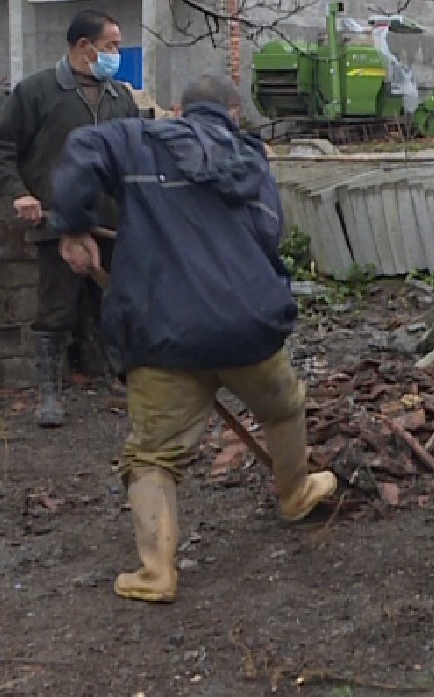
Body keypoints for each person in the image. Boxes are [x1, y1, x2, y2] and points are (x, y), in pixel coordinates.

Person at [47, 74, 336, 604]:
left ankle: (156, 571)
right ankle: (295, 493)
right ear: (233, 114)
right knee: (282, 407)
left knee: (153, 455)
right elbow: (268, 236)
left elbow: (82, 147)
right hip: (250, 326)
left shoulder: (135, 140)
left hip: (164, 335)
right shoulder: (253, 161)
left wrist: (74, 227)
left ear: (178, 110)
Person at [0, 9, 141, 427]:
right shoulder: (37, 92)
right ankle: (49, 392)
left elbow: (135, 154)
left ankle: (113, 379)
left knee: (111, 301)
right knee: (57, 308)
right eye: (111, 46)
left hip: (110, 220)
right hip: (56, 222)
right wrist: (18, 194)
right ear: (84, 46)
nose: (116, 54)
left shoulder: (119, 96)